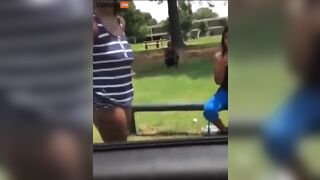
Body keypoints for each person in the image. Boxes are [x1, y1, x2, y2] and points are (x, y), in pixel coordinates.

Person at [263, 0, 320, 179]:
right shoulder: (301, 13)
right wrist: (302, 30)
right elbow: (296, 65)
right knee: (277, 134)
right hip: (311, 92)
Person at [93, 0, 134, 143]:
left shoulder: (120, 22)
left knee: (119, 153)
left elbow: (125, 4)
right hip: (104, 100)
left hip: (125, 97)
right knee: (120, 151)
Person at [203, 26, 228, 134]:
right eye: (227, 37)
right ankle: (224, 130)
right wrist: (222, 65)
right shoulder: (219, 57)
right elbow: (218, 81)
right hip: (225, 92)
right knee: (209, 110)